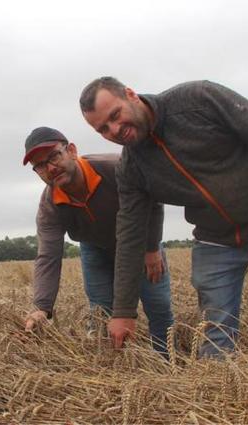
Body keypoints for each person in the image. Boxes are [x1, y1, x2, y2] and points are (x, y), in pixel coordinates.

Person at [79, 77, 248, 358]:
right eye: (103, 129)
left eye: (115, 115)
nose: (115, 130)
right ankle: (220, 395)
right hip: (215, 243)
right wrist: (123, 311)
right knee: (216, 335)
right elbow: (130, 231)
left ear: (131, 95)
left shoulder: (198, 98)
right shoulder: (131, 168)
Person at [21, 126, 174, 355]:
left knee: (158, 304)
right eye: (40, 166)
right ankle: (110, 364)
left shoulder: (115, 168)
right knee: (101, 310)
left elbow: (152, 199)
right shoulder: (50, 206)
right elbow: (48, 256)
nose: (50, 168)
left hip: (140, 242)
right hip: (95, 248)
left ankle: (165, 358)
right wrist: (42, 307)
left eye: (54, 156)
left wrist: (152, 248)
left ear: (71, 150)